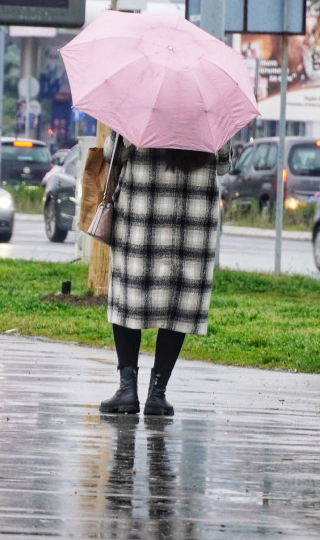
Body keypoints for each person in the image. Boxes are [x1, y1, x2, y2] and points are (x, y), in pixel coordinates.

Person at [98, 136, 232, 417]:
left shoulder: (141, 104)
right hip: (192, 220)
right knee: (179, 301)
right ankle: (157, 393)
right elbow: (222, 164)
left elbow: (114, 154)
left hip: (141, 214)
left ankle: (127, 390)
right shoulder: (209, 111)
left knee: (128, 296)